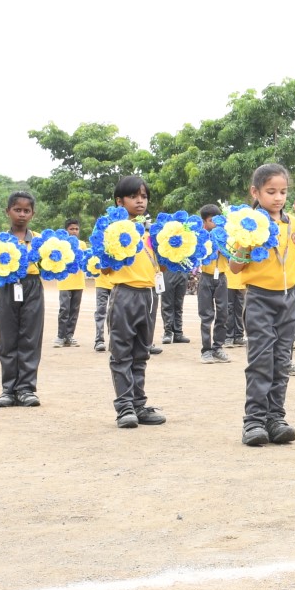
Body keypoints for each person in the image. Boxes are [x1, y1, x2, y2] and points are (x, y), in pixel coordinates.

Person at [233, 164, 295, 446]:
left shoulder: (294, 224)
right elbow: (234, 267)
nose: (278, 197)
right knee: (261, 360)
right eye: (271, 192)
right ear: (255, 192)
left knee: (282, 360)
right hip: (259, 297)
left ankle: (276, 417)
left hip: (290, 296)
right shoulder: (246, 223)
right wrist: (245, 244)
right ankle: (254, 421)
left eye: (283, 191)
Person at [100, 177, 166, 429]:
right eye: (134, 196)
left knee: (141, 353)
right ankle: (124, 407)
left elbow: (161, 263)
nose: (140, 201)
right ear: (120, 201)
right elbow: (105, 269)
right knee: (121, 353)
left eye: (144, 196)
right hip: (124, 294)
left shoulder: (152, 232)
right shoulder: (113, 230)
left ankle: (139, 404)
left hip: (150, 296)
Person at [0, 192, 44, 409]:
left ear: (33, 213)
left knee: (30, 337)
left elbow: (49, 264)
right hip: (7, 287)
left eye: (26, 210)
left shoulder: (40, 240)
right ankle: (8, 389)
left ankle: (26, 389)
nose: (21, 214)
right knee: (7, 337)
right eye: (17, 209)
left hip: (32, 286)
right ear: (8, 211)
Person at [195, 205, 231, 364]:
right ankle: (206, 350)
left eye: (217, 220)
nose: (215, 224)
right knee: (206, 315)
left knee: (223, 313)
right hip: (205, 278)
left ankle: (218, 347)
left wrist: (222, 243)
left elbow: (231, 253)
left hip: (222, 277)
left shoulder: (226, 235)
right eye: (211, 221)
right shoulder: (200, 237)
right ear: (204, 222)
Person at [53, 219, 86, 349]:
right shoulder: (61, 244)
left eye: (76, 229)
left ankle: (70, 336)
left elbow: (84, 261)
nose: (74, 231)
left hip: (78, 282)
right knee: (64, 309)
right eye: (71, 229)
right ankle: (60, 336)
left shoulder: (82, 244)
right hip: (64, 282)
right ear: (66, 230)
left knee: (74, 310)